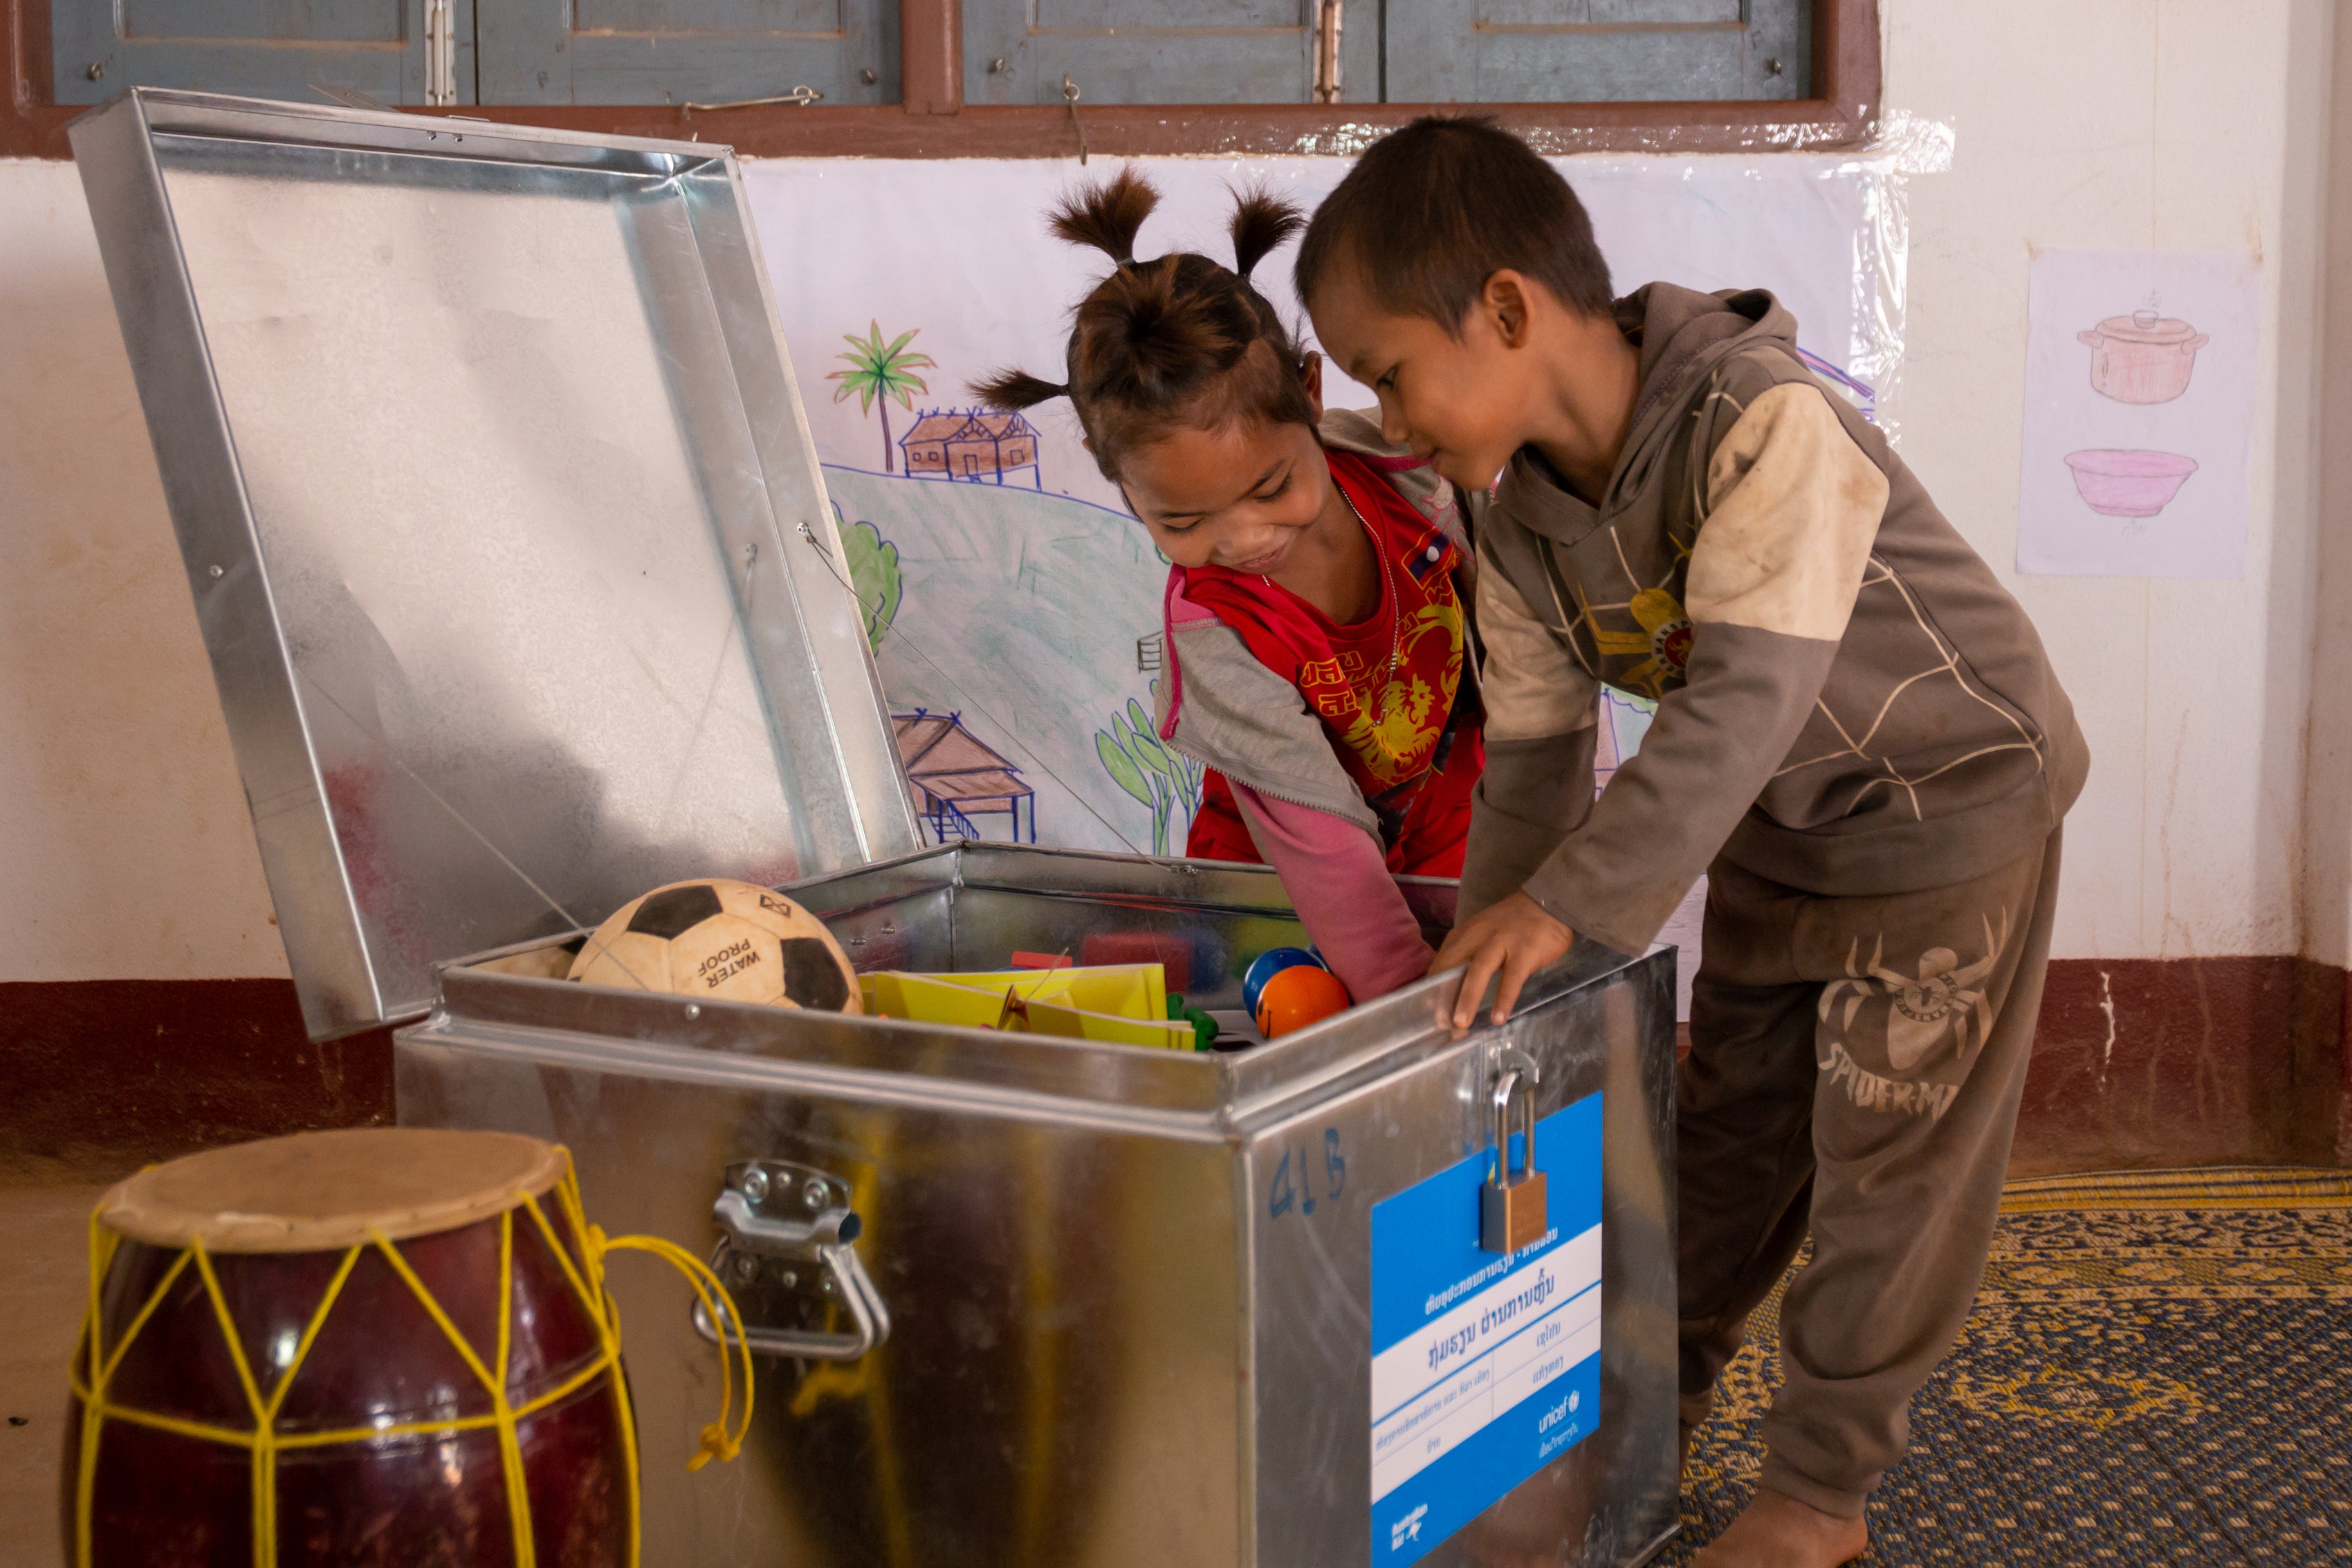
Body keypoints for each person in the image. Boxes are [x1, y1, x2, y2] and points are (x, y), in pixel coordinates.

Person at [1297, 117, 2088, 1567]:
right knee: (1719, 1143)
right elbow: (1535, 764)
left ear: (1507, 309)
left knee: (1882, 1153)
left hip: (1947, 804)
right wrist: (1493, 962)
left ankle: (1817, 1494)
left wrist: (1572, 909)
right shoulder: (1519, 522)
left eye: (1389, 374)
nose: (1391, 424)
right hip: (1777, 826)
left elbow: (1741, 698)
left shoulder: (1757, 414)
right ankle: (1639, 1407)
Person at [974, 169, 1485, 1006]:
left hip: (1441, 806)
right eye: (1182, 522)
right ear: (1121, 487)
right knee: (1303, 1023)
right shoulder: (1215, 627)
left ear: (1312, 396)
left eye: (1271, 486)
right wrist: (1408, 1005)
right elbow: (1316, 839)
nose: (1243, 540)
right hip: (1279, 869)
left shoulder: (1418, 478)